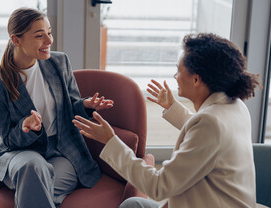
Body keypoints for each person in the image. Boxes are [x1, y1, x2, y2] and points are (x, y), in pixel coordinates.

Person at [73, 33, 261, 208]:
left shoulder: (209, 124)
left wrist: (110, 141)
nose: (175, 77)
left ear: (196, 80)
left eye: (178, 71)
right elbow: (207, 135)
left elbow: (158, 186)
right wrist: (172, 108)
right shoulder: (234, 106)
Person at [0, 7, 114, 208]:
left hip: (62, 151)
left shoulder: (59, 62)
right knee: (33, 167)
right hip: (22, 153)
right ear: (16, 40)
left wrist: (85, 105)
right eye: (39, 35)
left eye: (49, 33)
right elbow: (9, 138)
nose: (49, 41)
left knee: (35, 188)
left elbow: (71, 109)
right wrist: (25, 127)